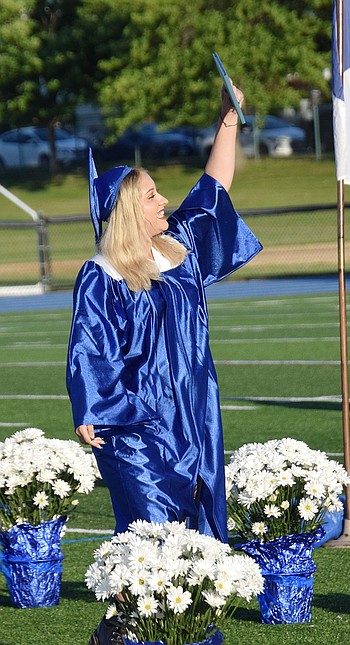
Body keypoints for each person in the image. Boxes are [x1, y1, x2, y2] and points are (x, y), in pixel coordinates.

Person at [66, 84, 261, 645]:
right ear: (128, 209)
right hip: (137, 421)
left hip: (197, 412)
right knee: (149, 529)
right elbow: (88, 347)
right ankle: (126, 630)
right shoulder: (102, 273)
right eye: (151, 196)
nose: (162, 202)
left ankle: (186, 629)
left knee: (198, 526)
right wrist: (91, 407)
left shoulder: (180, 250)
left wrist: (228, 123)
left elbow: (213, 192)